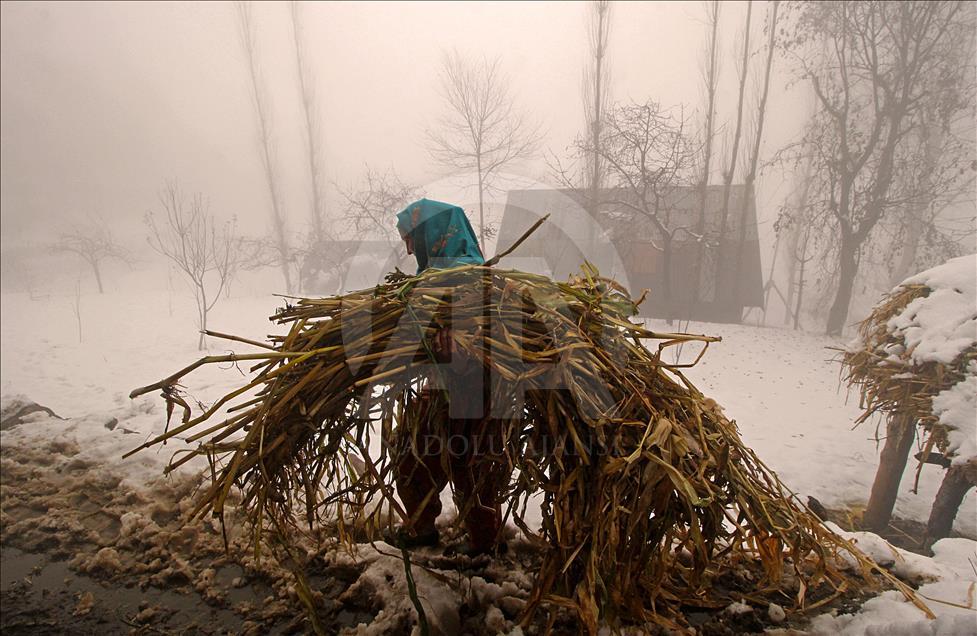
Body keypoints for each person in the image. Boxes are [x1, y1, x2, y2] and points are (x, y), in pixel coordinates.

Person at [390, 198, 508, 555]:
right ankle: (422, 525)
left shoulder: (469, 277)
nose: (410, 250)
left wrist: (453, 352)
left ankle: (485, 544)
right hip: (442, 384)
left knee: (471, 460)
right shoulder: (431, 279)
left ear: (434, 234)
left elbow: (486, 342)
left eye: (413, 239)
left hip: (479, 388)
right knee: (413, 450)